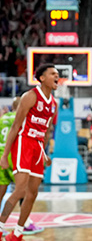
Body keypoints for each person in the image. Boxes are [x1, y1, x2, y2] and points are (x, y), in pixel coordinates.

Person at [0, 63, 59, 240]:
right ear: (42, 78)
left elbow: (47, 131)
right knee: (20, 190)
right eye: (52, 74)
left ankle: (17, 233)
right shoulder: (30, 96)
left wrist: (45, 152)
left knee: (33, 193)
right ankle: (1, 225)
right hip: (23, 143)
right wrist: (5, 155)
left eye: (57, 74)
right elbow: (16, 126)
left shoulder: (53, 104)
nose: (57, 76)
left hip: (38, 148)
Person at [0, 97, 44, 236]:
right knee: (23, 191)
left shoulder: (2, 118)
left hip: (1, 156)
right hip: (15, 156)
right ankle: (25, 223)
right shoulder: (22, 119)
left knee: (2, 193)